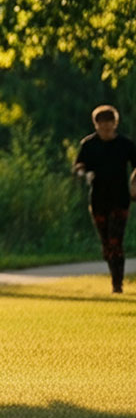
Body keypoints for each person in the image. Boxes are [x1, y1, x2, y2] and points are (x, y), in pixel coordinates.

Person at [73, 105, 136, 293]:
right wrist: (85, 175)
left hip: (120, 199)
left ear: (115, 124)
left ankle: (117, 284)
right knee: (107, 244)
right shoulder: (88, 145)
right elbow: (78, 167)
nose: (106, 129)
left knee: (116, 241)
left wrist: (133, 183)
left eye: (109, 125)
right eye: (102, 125)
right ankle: (114, 275)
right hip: (98, 200)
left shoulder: (125, 144)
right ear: (96, 125)